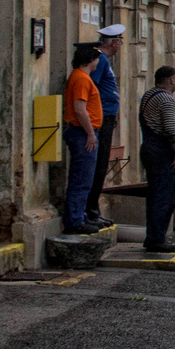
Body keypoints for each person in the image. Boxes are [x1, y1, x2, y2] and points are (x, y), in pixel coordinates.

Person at [138, 66, 175, 252]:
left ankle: (154, 236)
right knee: (164, 197)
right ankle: (157, 238)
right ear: (172, 80)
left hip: (150, 149)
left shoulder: (149, 95)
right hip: (162, 153)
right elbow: (171, 128)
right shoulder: (165, 99)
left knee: (156, 195)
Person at [85, 24, 125, 225]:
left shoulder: (102, 59)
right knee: (99, 165)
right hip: (101, 119)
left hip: (105, 117)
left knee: (100, 165)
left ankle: (93, 210)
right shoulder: (100, 60)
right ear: (115, 42)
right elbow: (92, 89)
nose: (120, 46)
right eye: (120, 42)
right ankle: (90, 210)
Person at [63, 44, 104, 234]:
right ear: (90, 59)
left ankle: (80, 216)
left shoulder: (81, 77)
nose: (99, 61)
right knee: (82, 178)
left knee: (83, 177)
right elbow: (80, 109)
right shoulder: (81, 78)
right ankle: (75, 220)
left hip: (83, 132)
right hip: (82, 133)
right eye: (97, 57)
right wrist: (90, 134)